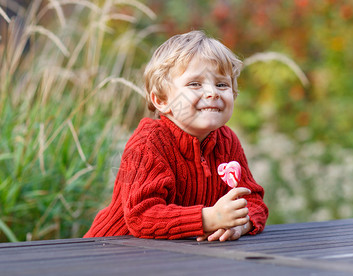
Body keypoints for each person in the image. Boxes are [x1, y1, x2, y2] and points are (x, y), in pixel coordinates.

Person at [84, 30, 268, 241]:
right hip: (111, 252)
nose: (212, 92)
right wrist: (208, 218)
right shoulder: (148, 143)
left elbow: (253, 199)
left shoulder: (226, 141)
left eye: (222, 84)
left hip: (179, 255)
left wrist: (240, 224)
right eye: (194, 84)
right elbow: (141, 216)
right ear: (162, 100)